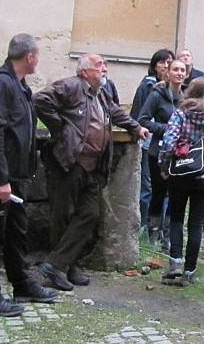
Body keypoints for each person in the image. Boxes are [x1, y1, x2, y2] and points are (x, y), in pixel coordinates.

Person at [35, 54, 148, 291]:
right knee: (63, 215)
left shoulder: (102, 93)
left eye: (104, 65)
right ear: (85, 71)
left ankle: (59, 264)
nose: (104, 69)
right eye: (99, 66)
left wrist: (135, 127)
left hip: (93, 165)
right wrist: (61, 127)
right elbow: (40, 100)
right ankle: (62, 268)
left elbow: (115, 112)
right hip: (70, 161)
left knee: (89, 214)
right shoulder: (71, 86)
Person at [0, 34, 58, 317]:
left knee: (16, 233)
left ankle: (21, 283)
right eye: (38, 56)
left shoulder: (19, 86)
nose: (38, 60)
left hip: (16, 175)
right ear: (30, 57)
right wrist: (1, 180)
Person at [158, 78, 204, 284]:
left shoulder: (181, 114)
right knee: (196, 223)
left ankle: (175, 263)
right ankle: (189, 271)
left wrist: (165, 168)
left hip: (179, 175)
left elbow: (168, 144)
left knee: (176, 218)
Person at [138, 58, 186, 251]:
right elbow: (143, 119)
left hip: (181, 154)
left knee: (176, 195)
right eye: (175, 69)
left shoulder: (187, 96)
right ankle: (153, 233)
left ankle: (169, 235)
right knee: (158, 194)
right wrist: (167, 129)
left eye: (183, 70)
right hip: (158, 151)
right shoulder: (157, 94)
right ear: (168, 73)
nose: (179, 73)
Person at [130, 49, 174, 228]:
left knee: (167, 189)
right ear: (155, 66)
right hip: (149, 142)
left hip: (171, 146)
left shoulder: (178, 92)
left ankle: (162, 225)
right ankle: (145, 225)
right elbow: (138, 114)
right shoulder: (148, 86)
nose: (166, 66)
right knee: (148, 186)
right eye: (162, 62)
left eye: (169, 62)